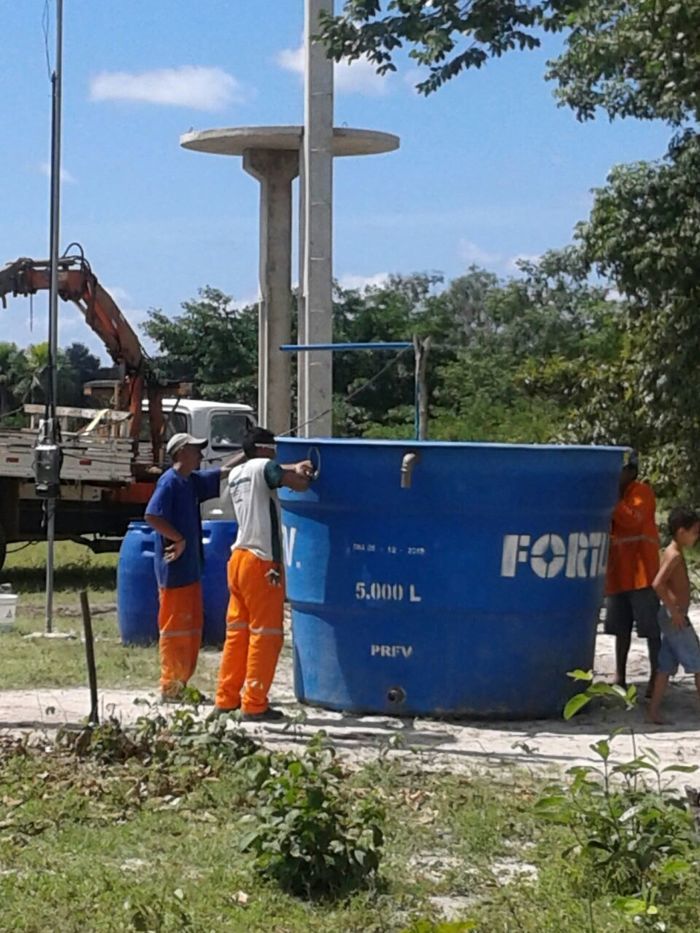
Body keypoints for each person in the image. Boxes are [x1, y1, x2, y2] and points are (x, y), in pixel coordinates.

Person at [215, 426, 314, 722]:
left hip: (237, 560)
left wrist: (288, 467)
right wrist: (305, 471)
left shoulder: (236, 474)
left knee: (237, 634)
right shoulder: (264, 467)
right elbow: (299, 485)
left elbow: (271, 470)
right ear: (264, 448)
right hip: (262, 563)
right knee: (266, 634)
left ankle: (226, 698)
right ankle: (255, 703)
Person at [145, 432, 242, 701]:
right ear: (182, 452)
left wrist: (248, 449)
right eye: (196, 449)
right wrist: (178, 538)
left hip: (189, 569)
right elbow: (152, 515)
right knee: (176, 630)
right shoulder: (170, 482)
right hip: (174, 570)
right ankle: (170, 686)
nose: (201, 454)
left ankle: (181, 685)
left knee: (190, 629)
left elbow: (223, 472)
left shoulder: (190, 481)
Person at [604, 451, 661, 696]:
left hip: (641, 573)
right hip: (618, 573)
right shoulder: (615, 495)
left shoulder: (641, 493)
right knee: (620, 627)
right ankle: (620, 675)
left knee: (650, 628)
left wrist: (611, 501)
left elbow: (631, 520)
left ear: (631, 472)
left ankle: (657, 677)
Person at [648, 507, 700, 724]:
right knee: (698, 663)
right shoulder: (674, 556)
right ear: (681, 531)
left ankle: (653, 712)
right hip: (674, 617)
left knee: (666, 666)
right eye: (695, 531)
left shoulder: (670, 552)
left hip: (671, 616)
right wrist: (674, 610)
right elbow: (658, 583)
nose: (697, 536)